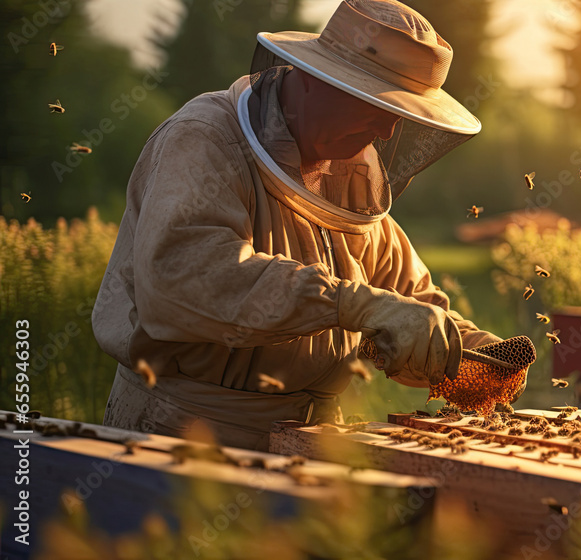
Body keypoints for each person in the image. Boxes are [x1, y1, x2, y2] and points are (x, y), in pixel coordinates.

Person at [92, 0, 514, 451]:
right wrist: (350, 305)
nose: (389, 131)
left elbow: (406, 302)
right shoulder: (205, 138)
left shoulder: (352, 173)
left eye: (401, 112)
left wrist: (469, 349)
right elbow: (187, 278)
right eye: (377, 102)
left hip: (309, 441)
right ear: (315, 78)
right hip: (185, 433)